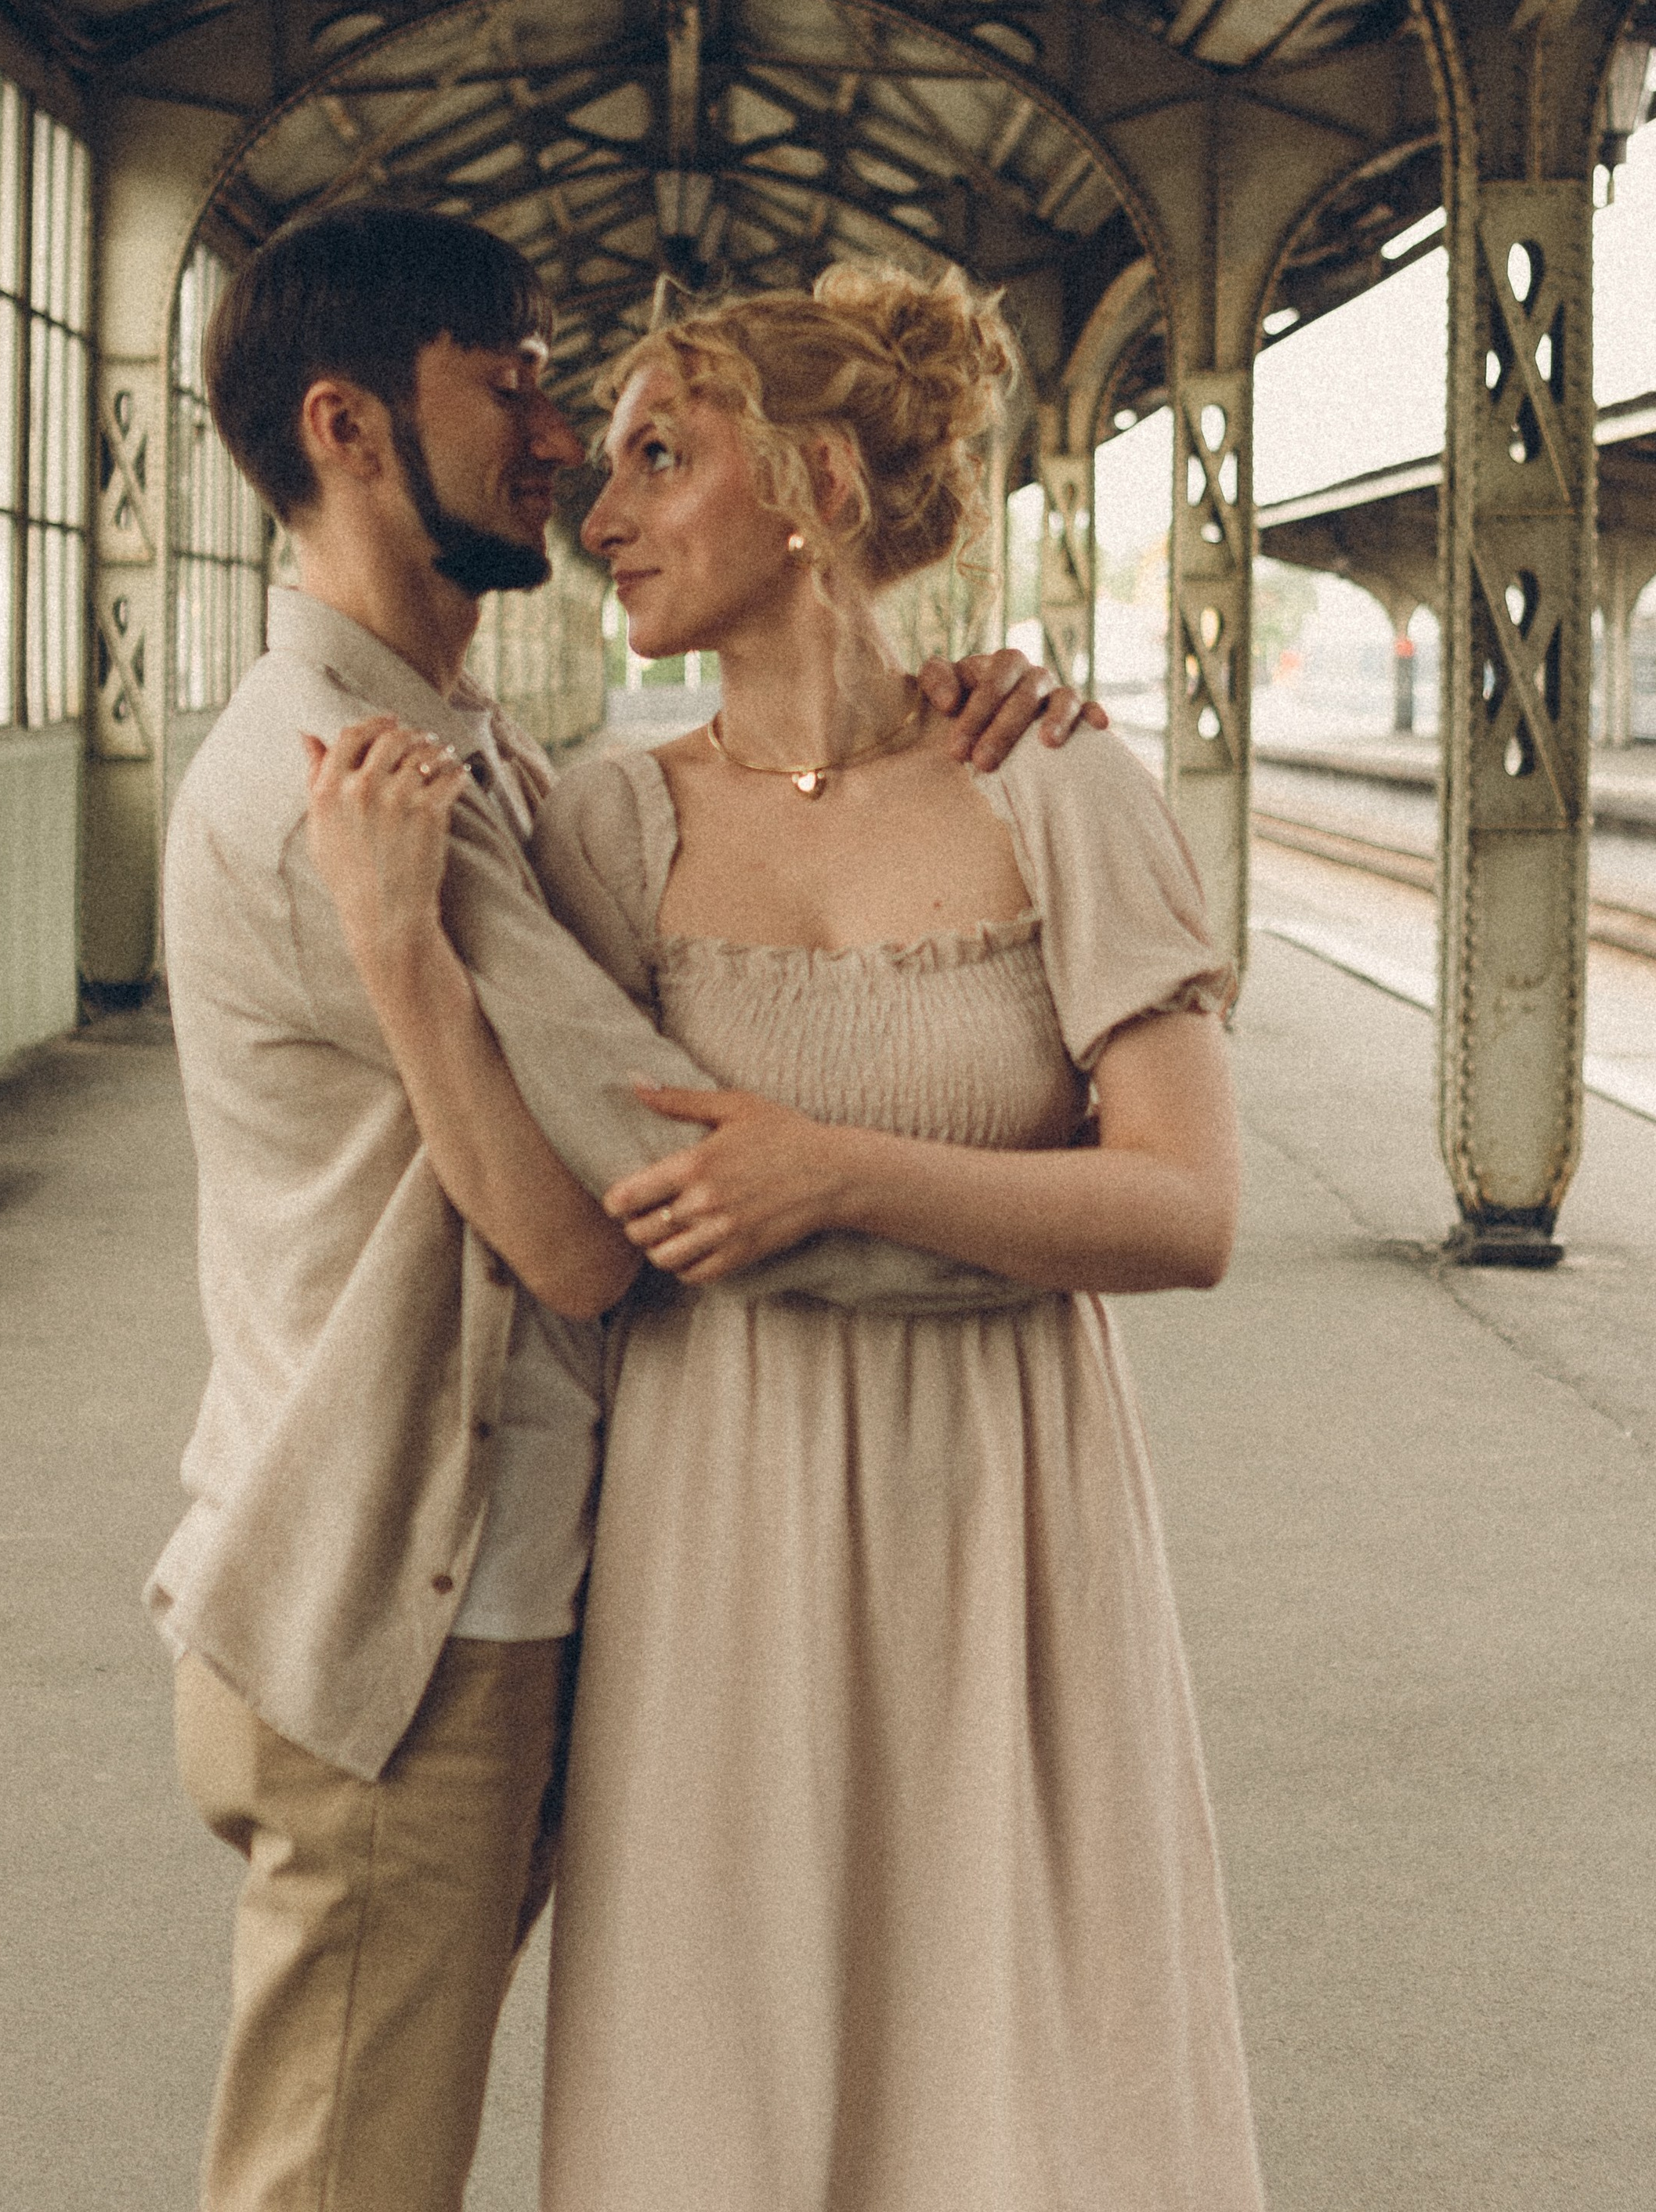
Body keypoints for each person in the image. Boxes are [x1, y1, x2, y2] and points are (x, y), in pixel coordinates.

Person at [148, 202, 1094, 2212]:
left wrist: (930, 715)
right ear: (347, 428)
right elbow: (630, 1207)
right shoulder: (342, 791)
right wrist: (1053, 1234)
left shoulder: (467, 751)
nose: (560, 442)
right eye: (507, 388)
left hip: (474, 1573)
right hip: (404, 1603)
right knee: (336, 2179)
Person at [522, 261, 1266, 2212]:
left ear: (815, 488)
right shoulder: (607, 831)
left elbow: (1184, 1208)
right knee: (728, 2076)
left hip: (1009, 1529)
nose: (601, 513)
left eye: (658, 457)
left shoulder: (1053, 786)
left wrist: (835, 1173)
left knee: (1020, 2074)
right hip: (715, 1521)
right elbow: (579, 1225)